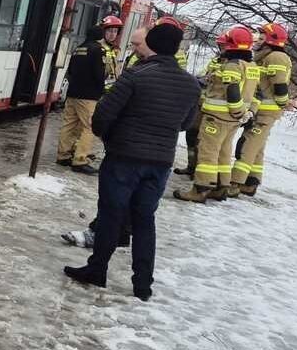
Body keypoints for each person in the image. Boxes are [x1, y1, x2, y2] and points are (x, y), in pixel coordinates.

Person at [64, 23, 200, 301]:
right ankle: (142, 285)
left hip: (124, 158)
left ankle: (97, 269)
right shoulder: (190, 84)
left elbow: (102, 116)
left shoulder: (136, 75)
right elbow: (186, 123)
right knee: (144, 221)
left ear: (150, 42)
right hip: (160, 162)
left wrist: (111, 138)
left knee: (111, 216)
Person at [174, 25, 259, 203]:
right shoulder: (251, 66)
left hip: (218, 118)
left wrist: (237, 111)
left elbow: (233, 91)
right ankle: (221, 187)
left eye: (224, 45)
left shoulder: (232, 65)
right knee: (224, 152)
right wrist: (246, 113)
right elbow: (254, 93)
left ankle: (200, 189)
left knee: (207, 152)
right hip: (233, 120)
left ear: (231, 45)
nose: (221, 48)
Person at [228, 23, 291, 197]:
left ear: (272, 41)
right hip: (260, 109)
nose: (257, 40)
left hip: (266, 111)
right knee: (257, 146)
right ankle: (251, 182)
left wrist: (281, 104)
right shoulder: (266, 55)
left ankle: (235, 183)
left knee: (247, 144)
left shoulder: (277, 56)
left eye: (262, 38)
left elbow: (280, 86)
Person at [56, 19, 120, 175]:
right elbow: (100, 74)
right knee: (89, 127)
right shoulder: (99, 50)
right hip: (89, 96)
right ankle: (80, 160)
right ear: (100, 37)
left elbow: (70, 70)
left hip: (72, 93)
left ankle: (63, 155)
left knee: (69, 124)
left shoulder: (79, 48)